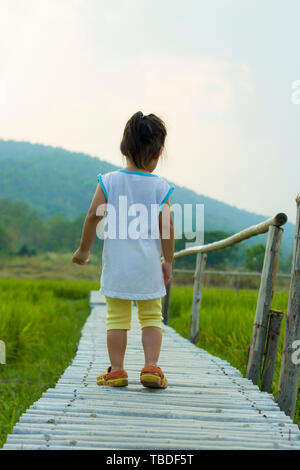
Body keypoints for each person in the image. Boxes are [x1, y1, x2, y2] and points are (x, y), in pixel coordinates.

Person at [72, 111, 174, 389]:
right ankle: (151, 367)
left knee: (117, 318)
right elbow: (167, 226)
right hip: (149, 267)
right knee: (152, 316)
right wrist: (168, 261)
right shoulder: (159, 186)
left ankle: (116, 370)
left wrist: (83, 250)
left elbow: (93, 215)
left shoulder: (110, 181)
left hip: (117, 266)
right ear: (158, 152)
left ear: (123, 148)